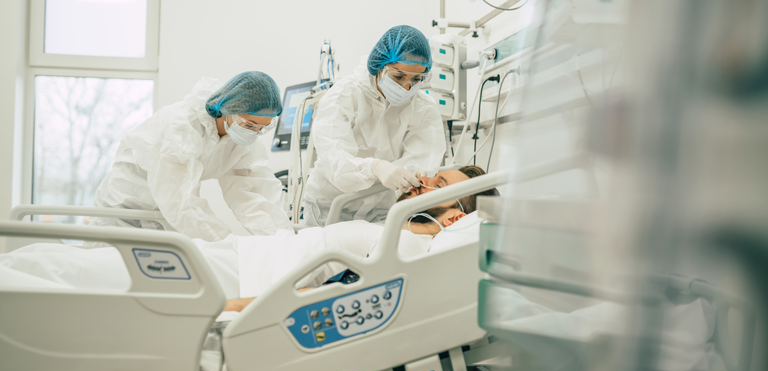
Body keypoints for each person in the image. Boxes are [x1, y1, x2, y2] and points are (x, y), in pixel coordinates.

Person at [2, 166, 497, 310]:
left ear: (455, 217)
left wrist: (237, 308)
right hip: (234, 256)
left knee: (81, 275)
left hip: (236, 278)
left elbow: (335, 295)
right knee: (58, 260)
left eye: (440, 186)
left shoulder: (409, 246)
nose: (426, 180)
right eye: (435, 174)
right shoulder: (393, 227)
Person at [90, 72, 292, 241]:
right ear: (228, 110)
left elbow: (253, 196)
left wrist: (283, 240)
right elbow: (181, 201)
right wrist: (227, 245)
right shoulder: (181, 126)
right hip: (124, 210)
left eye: (263, 128)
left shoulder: (242, 143)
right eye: (249, 124)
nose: (254, 132)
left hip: (164, 218)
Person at [302, 25, 447, 227]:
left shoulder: (423, 107)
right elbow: (334, 162)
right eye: (398, 77)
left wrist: (411, 174)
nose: (407, 88)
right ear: (379, 66)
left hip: (382, 210)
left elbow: (424, 158)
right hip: (329, 208)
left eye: (416, 79)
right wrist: (374, 167)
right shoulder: (343, 95)